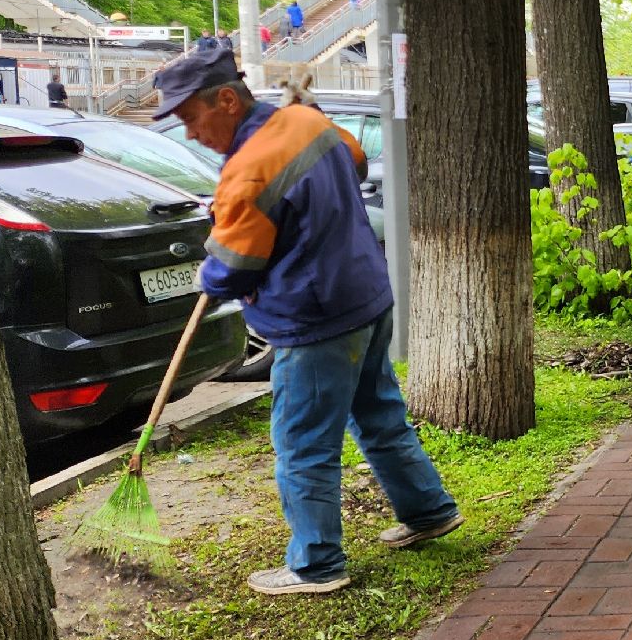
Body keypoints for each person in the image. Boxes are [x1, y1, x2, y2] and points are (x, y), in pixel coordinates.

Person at [152, 40, 461, 596]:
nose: (190, 133)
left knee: (302, 444)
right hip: (365, 297)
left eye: (191, 118)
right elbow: (355, 159)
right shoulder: (307, 122)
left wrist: (208, 274)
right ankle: (428, 511)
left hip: (315, 322)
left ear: (226, 100)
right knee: (379, 415)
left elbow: (234, 269)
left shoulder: (248, 170)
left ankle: (316, 563)